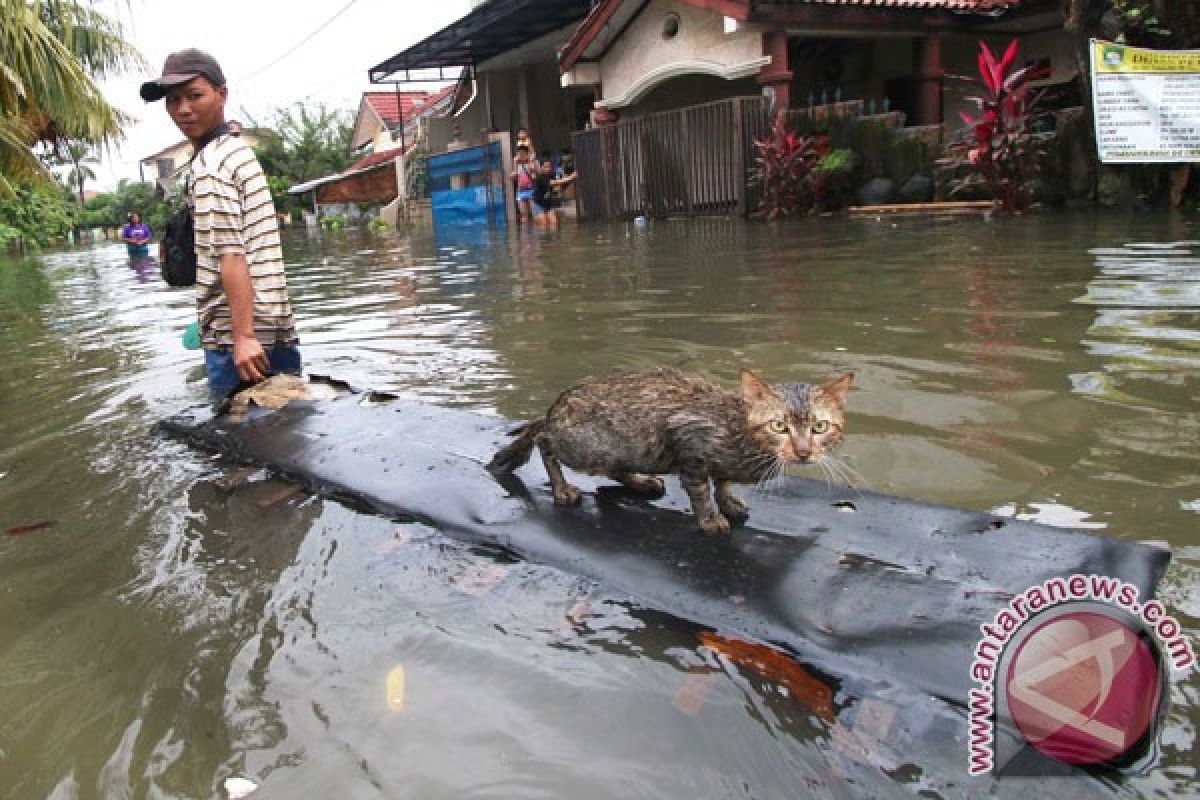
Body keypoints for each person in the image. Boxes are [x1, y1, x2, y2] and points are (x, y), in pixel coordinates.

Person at [140, 49, 301, 398]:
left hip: (239, 341)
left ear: (222, 94)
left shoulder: (212, 166)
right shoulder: (237, 150)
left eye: (195, 96)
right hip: (274, 321)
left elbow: (231, 255)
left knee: (241, 446)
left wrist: (243, 337)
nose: (183, 109)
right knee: (289, 437)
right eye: (174, 100)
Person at [532, 159, 576, 228]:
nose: (548, 169)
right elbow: (554, 183)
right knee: (544, 224)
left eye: (549, 167)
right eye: (545, 167)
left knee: (554, 223)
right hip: (538, 205)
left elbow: (558, 187)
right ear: (541, 167)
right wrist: (571, 177)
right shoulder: (540, 177)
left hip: (548, 205)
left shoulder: (552, 175)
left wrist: (569, 180)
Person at [512, 145, 538, 222]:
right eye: (519, 154)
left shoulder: (532, 163)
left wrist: (531, 162)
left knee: (535, 214)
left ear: (527, 154)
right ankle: (525, 233)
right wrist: (515, 163)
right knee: (524, 216)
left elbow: (534, 176)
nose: (521, 155)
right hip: (521, 191)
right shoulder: (517, 165)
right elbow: (514, 175)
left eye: (523, 153)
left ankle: (536, 233)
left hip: (531, 190)